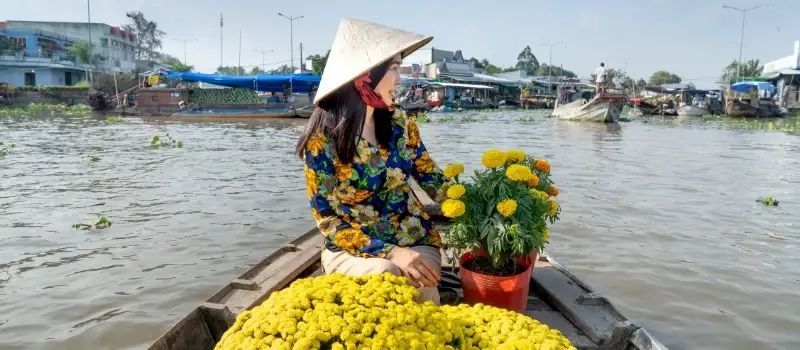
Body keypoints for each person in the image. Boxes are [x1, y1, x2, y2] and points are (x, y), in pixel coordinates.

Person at [296, 18, 449, 305]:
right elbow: (328, 221)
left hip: (413, 237)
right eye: (393, 69)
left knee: (421, 285)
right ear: (365, 77)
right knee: (386, 275)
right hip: (353, 248)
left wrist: (480, 204)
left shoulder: (401, 123)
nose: (400, 79)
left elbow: (432, 178)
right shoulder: (322, 141)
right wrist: (390, 253)